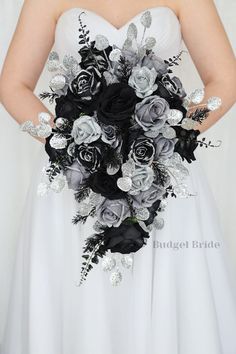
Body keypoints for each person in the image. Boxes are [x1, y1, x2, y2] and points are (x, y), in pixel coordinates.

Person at [0, 0, 236, 353]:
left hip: (161, 173)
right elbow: (14, 85)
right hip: (74, 177)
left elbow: (225, 80)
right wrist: (72, 141)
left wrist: (164, 136)